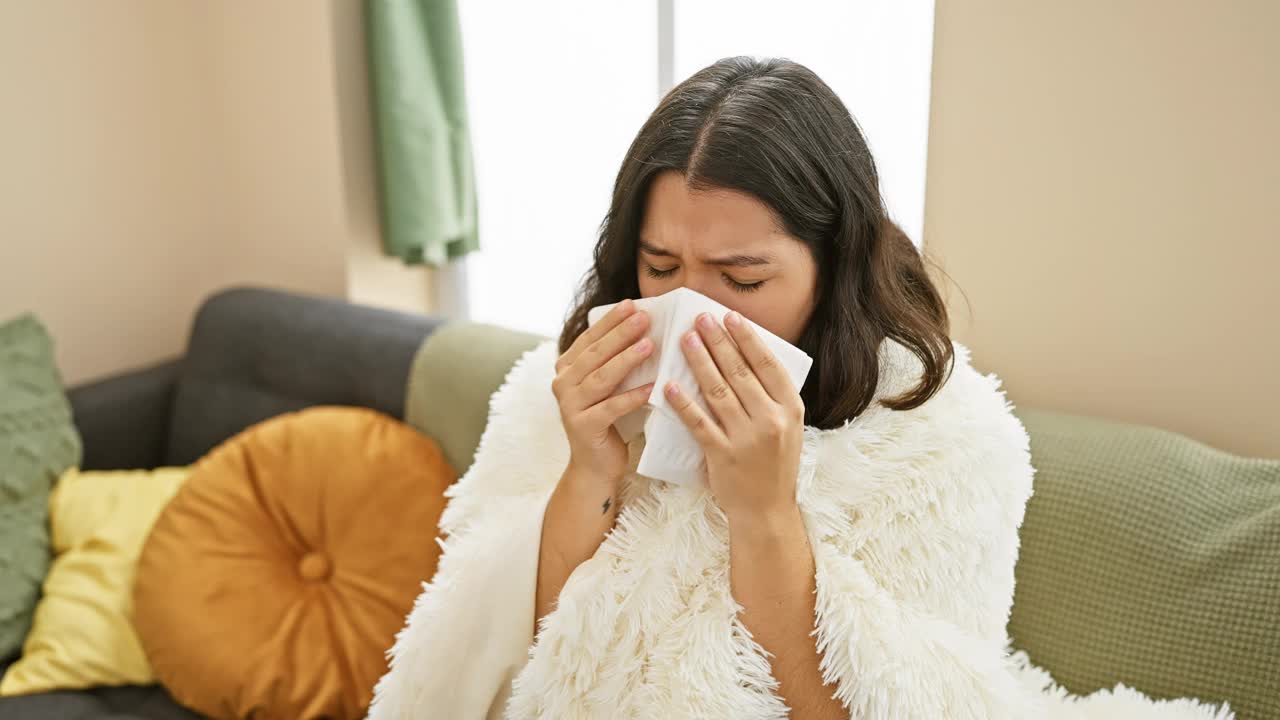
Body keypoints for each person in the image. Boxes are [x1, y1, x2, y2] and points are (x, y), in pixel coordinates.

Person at [367, 57, 1234, 720]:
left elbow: (886, 702)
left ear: (835, 266)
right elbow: (515, 664)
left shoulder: (947, 434)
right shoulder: (561, 388)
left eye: (742, 280)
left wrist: (764, 513)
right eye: (661, 266)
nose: (691, 313)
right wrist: (589, 474)